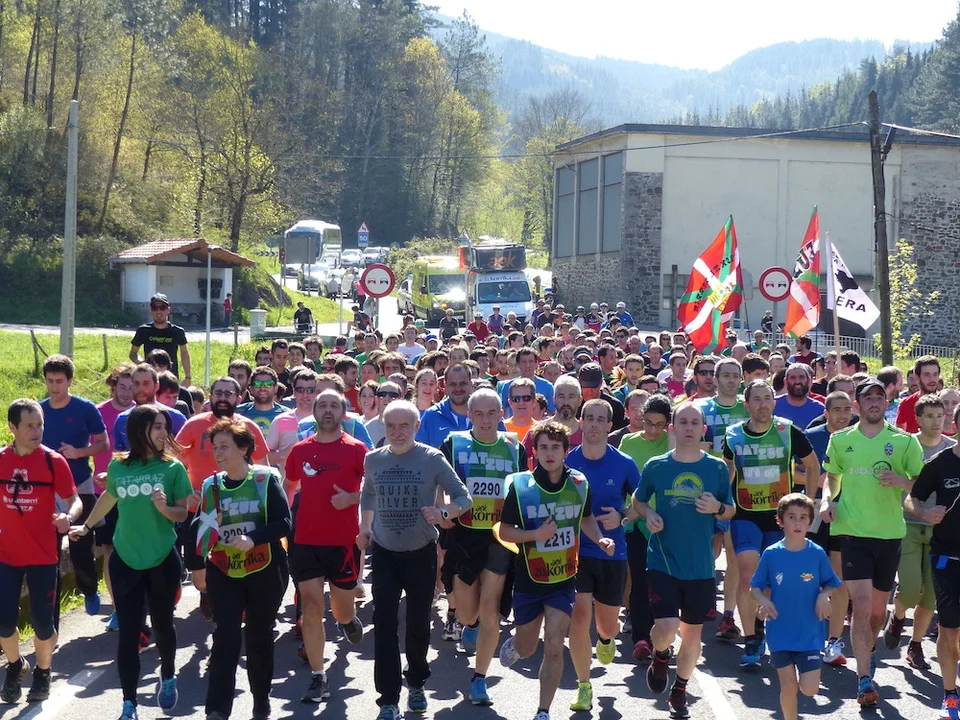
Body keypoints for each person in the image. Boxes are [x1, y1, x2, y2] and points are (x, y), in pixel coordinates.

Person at [68, 404, 194, 720]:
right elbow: (109, 497)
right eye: (157, 427)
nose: (164, 433)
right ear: (140, 431)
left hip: (161, 558)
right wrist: (85, 526)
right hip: (125, 559)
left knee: (163, 624)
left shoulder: (173, 469)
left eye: (165, 426)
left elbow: (182, 513)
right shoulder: (119, 467)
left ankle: (168, 675)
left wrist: (164, 509)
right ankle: (129, 704)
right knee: (128, 632)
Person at [358, 401, 472, 720]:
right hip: (384, 554)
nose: (397, 432)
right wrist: (365, 527)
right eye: (391, 426)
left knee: (418, 624)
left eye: (404, 426)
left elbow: (464, 497)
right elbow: (369, 493)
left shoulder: (432, 458)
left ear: (417, 427)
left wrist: (443, 512)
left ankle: (417, 683)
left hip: (421, 553)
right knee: (384, 624)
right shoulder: (373, 459)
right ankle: (388, 699)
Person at [623, 402, 735, 716]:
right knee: (667, 627)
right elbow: (639, 500)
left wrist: (717, 508)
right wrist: (649, 514)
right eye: (682, 422)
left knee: (692, 633)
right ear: (673, 428)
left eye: (694, 423)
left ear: (703, 430)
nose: (688, 428)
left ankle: (680, 688)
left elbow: (730, 509)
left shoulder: (716, 468)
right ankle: (661, 655)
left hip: (700, 565)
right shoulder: (657, 466)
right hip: (663, 559)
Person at [498, 421, 614, 720]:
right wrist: (535, 535)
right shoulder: (521, 487)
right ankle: (517, 644)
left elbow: (585, 518)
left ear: (565, 451)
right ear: (535, 452)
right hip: (529, 579)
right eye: (544, 448)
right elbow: (505, 531)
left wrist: (599, 538)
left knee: (553, 645)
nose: (549, 453)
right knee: (527, 648)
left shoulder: (579, 483)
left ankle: (543, 711)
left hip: (564, 578)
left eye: (555, 447)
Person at [820, 378, 924, 707]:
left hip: (889, 533)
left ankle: (869, 648)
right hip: (852, 531)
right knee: (862, 605)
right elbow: (832, 477)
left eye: (880, 396)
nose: (875, 402)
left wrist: (902, 481)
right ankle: (863, 677)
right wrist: (827, 500)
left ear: (887, 402)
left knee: (878, 611)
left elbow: (921, 483)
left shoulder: (904, 442)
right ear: (858, 404)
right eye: (868, 398)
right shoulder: (841, 440)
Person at [196, 419, 292, 720]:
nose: (218, 453)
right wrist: (208, 531)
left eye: (224, 446)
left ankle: (261, 700)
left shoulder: (265, 479)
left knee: (259, 636)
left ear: (243, 449)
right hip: (223, 570)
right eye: (215, 448)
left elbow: (284, 523)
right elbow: (200, 532)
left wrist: (253, 538)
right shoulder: (211, 485)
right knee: (225, 637)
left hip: (265, 569)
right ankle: (216, 709)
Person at [723, 379, 819, 668]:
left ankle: (763, 626)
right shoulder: (733, 435)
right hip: (746, 514)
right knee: (748, 575)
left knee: (773, 581)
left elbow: (812, 465)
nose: (763, 404)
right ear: (747, 404)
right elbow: (727, 471)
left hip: (780, 516)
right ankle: (752, 639)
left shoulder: (787, 430)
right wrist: (722, 504)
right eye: (757, 399)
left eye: (767, 398)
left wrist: (807, 503)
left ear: (773, 403)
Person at [439, 389, 525, 705]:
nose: (486, 420)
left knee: (491, 609)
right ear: (469, 415)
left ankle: (479, 679)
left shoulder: (514, 446)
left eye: (491, 414)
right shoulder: (454, 443)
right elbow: (438, 481)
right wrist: (443, 511)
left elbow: (523, 487)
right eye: (479, 414)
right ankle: (469, 623)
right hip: (464, 535)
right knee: (467, 612)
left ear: (501, 414)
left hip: (499, 538)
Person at [284, 390, 367, 703]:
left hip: (343, 542)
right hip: (305, 540)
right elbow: (289, 485)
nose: (328, 410)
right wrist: (284, 520)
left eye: (334, 405)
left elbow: (375, 488)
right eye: (323, 405)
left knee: (341, 609)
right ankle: (319, 676)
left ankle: (347, 621)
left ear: (344, 413)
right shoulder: (300, 450)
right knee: (311, 607)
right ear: (314, 411)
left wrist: (352, 498)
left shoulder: (357, 449)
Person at [0, 399, 81, 705]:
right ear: (13, 427)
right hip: (6, 556)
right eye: (29, 426)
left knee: (43, 623)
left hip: (43, 557)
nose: (37, 431)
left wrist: (68, 517)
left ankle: (43, 672)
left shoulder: (52, 461)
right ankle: (15, 666)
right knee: (3, 622)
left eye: (40, 425)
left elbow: (74, 500)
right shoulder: (1, 460)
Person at [565, 399, 641, 712]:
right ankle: (584, 685)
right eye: (590, 418)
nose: (595, 424)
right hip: (576, 551)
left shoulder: (624, 462)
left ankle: (607, 640)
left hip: (612, 552)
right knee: (579, 616)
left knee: (607, 627)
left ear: (610, 426)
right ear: (581, 422)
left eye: (601, 419)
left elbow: (642, 503)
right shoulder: (568, 460)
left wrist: (622, 517)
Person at [176, 377, 269, 618]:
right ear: (211, 396)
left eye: (228, 394)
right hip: (199, 509)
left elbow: (263, 469)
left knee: (237, 559)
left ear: (239, 398)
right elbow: (173, 463)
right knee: (199, 576)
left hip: (240, 508)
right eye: (218, 393)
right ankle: (207, 591)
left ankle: (234, 601)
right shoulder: (194, 425)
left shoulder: (248, 427)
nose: (223, 398)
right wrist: (185, 493)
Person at [750, 494, 842, 720]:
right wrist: (764, 601)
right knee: (788, 686)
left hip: (810, 632)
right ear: (780, 521)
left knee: (810, 689)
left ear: (811, 522)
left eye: (803, 517)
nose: (798, 522)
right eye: (792, 517)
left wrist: (824, 596)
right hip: (779, 630)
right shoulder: (771, 554)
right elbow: (755, 587)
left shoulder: (817, 553)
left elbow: (832, 583)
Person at [884, 393, 955, 671]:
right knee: (911, 589)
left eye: (940, 416)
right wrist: (906, 484)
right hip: (909, 524)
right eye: (930, 416)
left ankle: (915, 645)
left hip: (941, 531)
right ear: (917, 419)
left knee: (930, 597)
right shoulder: (906, 445)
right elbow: (897, 483)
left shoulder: (952, 449)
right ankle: (899, 614)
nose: (936, 421)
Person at [39, 354, 108, 617]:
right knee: (49, 553)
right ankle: (49, 613)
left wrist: (79, 452)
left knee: (80, 548)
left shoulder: (85, 408)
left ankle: (89, 590)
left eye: (59, 381)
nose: (54, 386)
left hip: (80, 485)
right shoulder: (38, 410)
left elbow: (103, 443)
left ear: (70, 381)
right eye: (50, 381)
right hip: (47, 489)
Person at [906, 405, 960, 720]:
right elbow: (911, 497)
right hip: (946, 557)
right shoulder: (940, 463)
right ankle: (950, 695)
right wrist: (925, 513)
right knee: (950, 632)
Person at [802, 390, 854, 667]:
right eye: (837, 410)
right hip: (814, 511)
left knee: (838, 578)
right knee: (810, 576)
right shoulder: (812, 436)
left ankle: (833, 641)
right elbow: (794, 471)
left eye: (847, 409)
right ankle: (809, 636)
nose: (843, 415)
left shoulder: (859, 436)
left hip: (848, 513)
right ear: (826, 413)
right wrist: (817, 478)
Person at [130, 293, 191, 381]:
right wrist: (144, 364)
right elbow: (133, 353)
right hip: (150, 379)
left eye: (162, 307)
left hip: (170, 379)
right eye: (155, 308)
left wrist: (188, 377)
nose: (158, 311)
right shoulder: (143, 330)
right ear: (151, 310)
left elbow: (184, 353)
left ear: (168, 310)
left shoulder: (177, 331)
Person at [499, 348, 555, 419]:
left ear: (536, 363)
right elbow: (503, 412)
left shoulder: (548, 387)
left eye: (531, 361)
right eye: (524, 362)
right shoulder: (508, 386)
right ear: (518, 364)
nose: (527, 365)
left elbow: (552, 413)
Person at [897, 355, 941, 433]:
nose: (932, 379)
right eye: (927, 374)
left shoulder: (946, 402)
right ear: (917, 377)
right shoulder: (906, 404)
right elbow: (900, 432)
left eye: (935, 374)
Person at [774, 364, 825, 430]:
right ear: (786, 381)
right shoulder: (773, 405)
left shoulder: (819, 409)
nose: (797, 381)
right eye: (793, 378)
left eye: (801, 377)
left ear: (809, 380)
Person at [236, 367, 287, 433]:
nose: (262, 388)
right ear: (251, 389)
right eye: (257, 384)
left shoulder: (286, 414)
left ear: (276, 388)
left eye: (268, 384)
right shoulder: (238, 412)